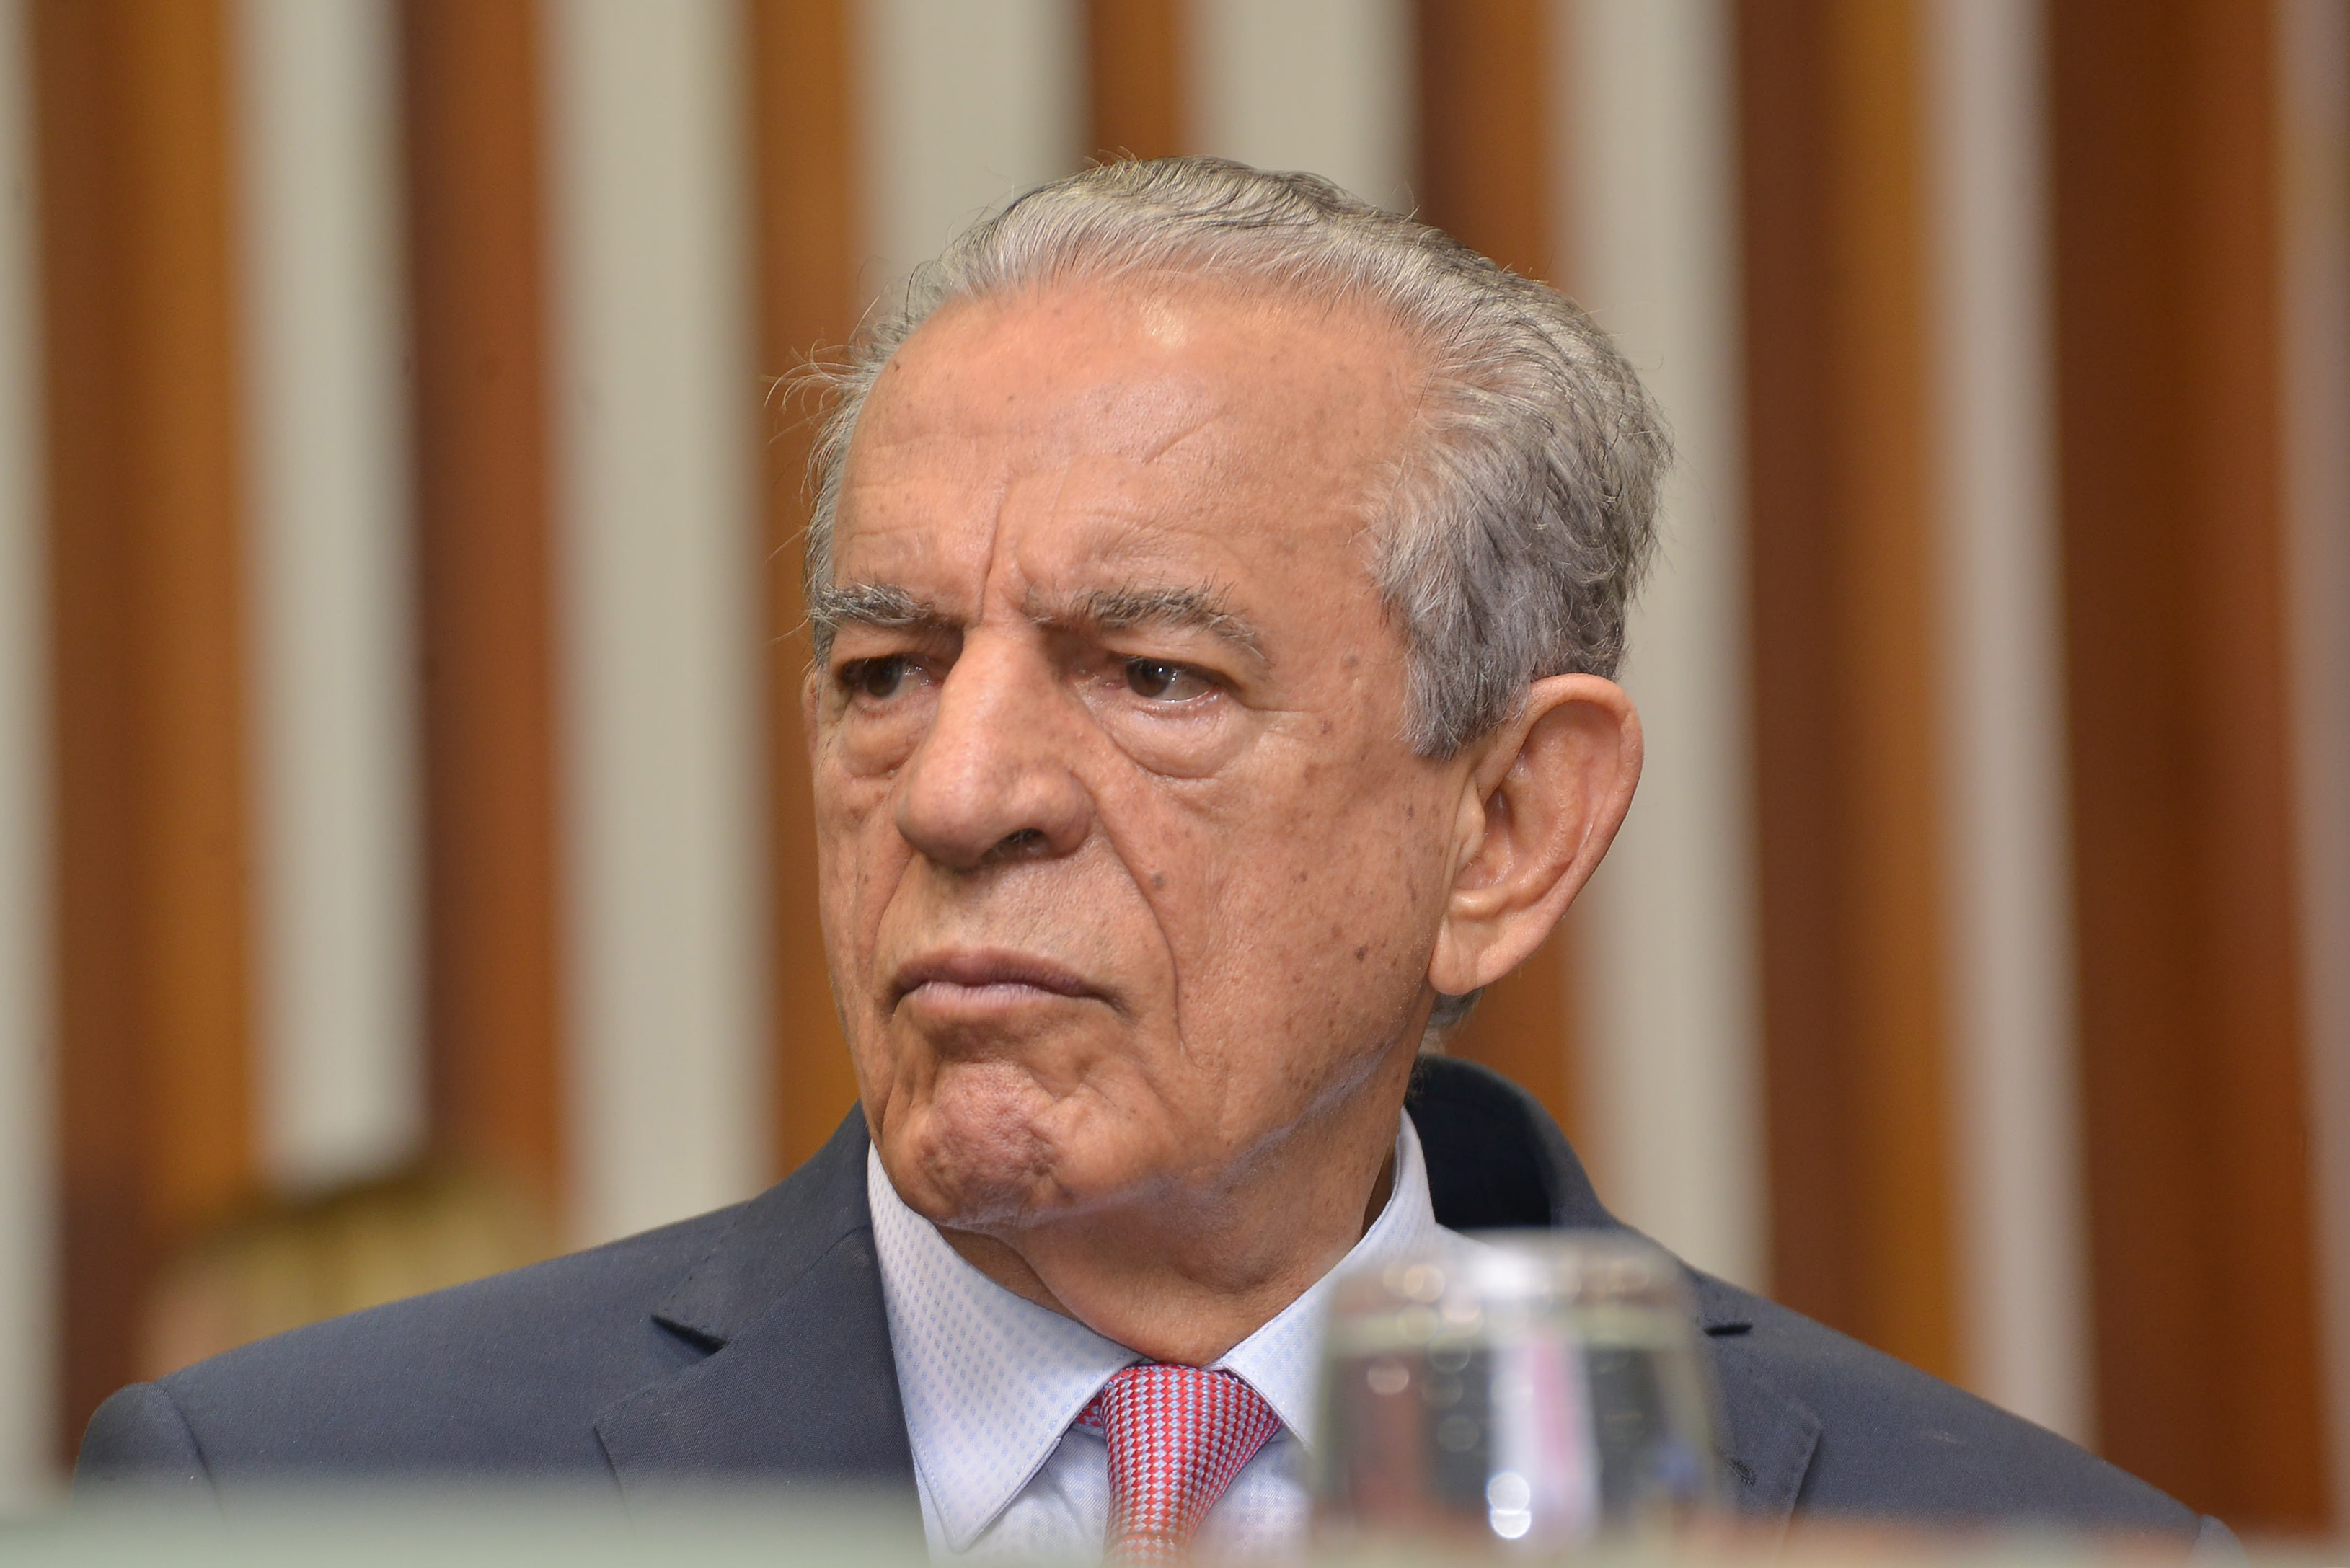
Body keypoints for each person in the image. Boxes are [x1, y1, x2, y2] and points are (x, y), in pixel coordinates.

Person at [77, 158, 2227, 1558]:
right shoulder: (303, 1504)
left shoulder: (1989, 1543)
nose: (955, 794)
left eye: (1152, 675)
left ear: (1506, 825)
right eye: (887, 668)